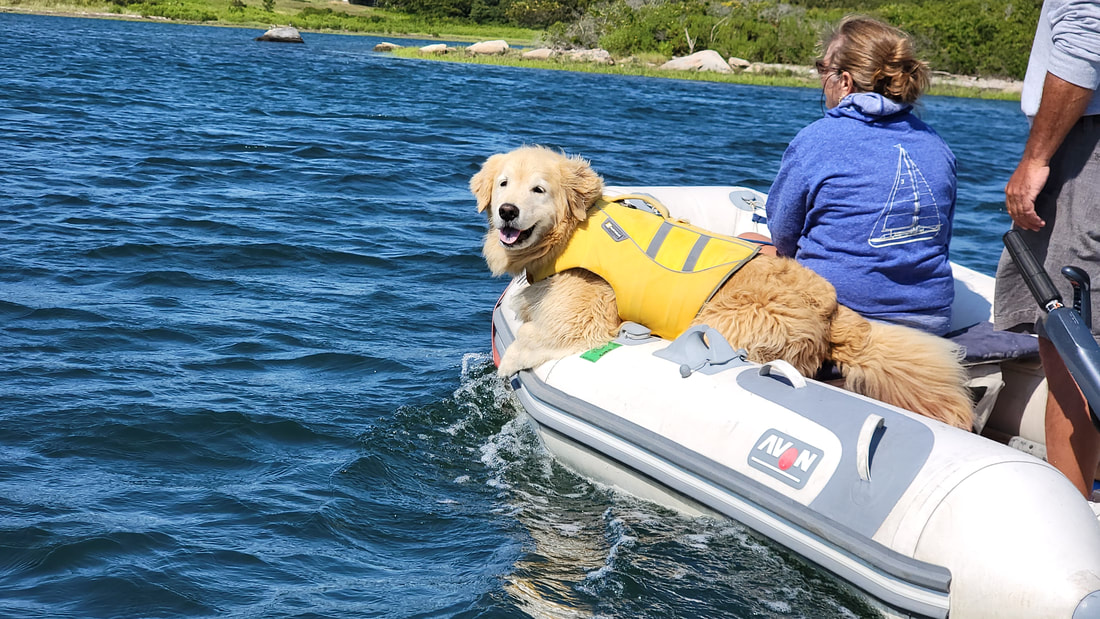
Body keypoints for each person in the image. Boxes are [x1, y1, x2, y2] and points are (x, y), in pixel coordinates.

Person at [766, 16, 957, 335]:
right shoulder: (938, 146)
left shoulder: (816, 139)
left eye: (822, 69)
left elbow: (783, 237)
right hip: (930, 320)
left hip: (839, 317)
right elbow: (940, 237)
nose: (820, 78)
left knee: (752, 247)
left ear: (844, 82)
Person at [993, 0, 1100, 499]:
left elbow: (1085, 33)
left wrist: (1036, 158)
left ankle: (1072, 518)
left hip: (1085, 144)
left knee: (1072, 338)